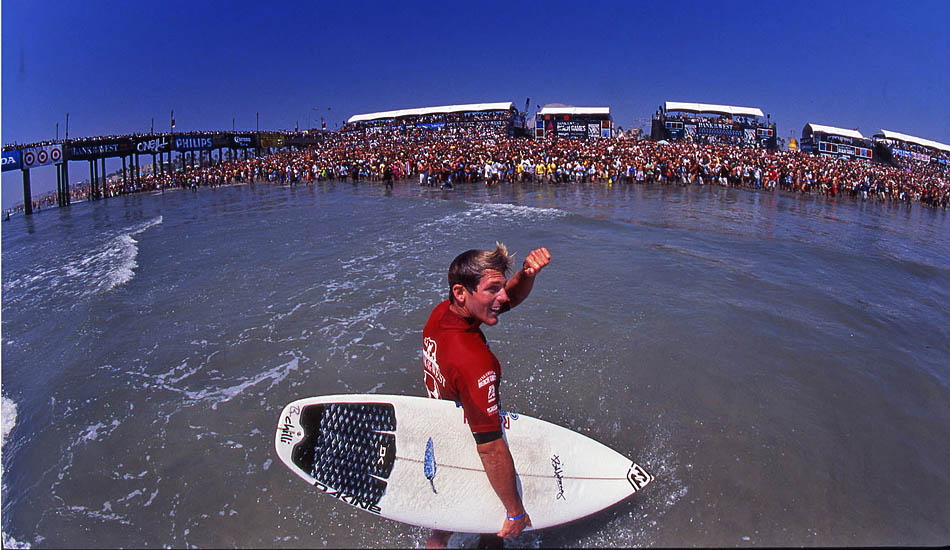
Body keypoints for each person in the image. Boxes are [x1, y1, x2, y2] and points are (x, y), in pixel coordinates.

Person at [422, 243, 551, 549]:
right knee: (495, 528)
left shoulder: (442, 315)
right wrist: (515, 511)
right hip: (469, 438)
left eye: (502, 287)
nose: (503, 297)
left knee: (441, 532)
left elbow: (505, 301)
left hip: (441, 430)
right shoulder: (473, 361)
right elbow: (490, 448)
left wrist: (527, 274)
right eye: (494, 289)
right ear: (461, 292)